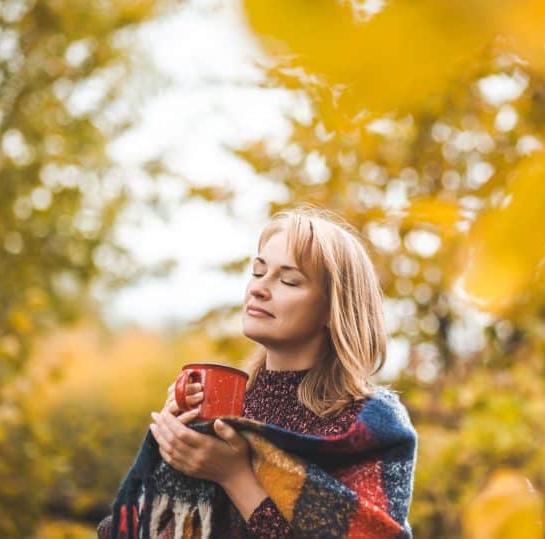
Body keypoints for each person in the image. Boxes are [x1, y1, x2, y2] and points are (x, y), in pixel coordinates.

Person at [98, 206, 417, 538]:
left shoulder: (369, 424)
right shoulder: (229, 410)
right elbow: (131, 530)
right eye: (258, 272)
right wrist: (171, 448)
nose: (259, 289)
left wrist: (235, 477)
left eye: (289, 280)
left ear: (332, 310)